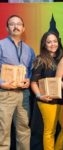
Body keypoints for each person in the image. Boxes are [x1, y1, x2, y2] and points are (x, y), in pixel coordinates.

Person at [0, 15, 35, 150]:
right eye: (12, 24)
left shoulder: (29, 49)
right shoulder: (1, 45)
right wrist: (1, 83)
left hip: (23, 95)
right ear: (7, 28)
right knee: (3, 131)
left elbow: (31, 70)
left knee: (24, 129)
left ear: (23, 28)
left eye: (19, 24)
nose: (16, 26)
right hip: (5, 94)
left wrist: (29, 80)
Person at [30, 31, 63, 150]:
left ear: (59, 42)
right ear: (44, 44)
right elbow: (33, 82)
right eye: (49, 42)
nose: (52, 44)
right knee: (50, 131)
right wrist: (39, 95)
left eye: (55, 41)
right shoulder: (40, 59)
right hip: (47, 100)